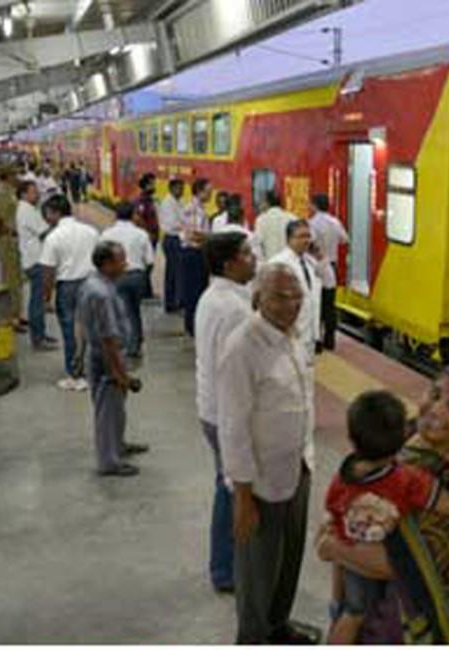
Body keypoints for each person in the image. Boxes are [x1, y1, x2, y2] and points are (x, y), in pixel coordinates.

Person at [316, 365, 449, 643]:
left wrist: (335, 548)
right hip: (372, 598)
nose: (436, 410)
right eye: (434, 395)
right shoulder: (403, 435)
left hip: (409, 613)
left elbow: (406, 564)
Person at [218, 263, 317, 644]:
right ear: (259, 298)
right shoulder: (243, 346)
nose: (290, 304)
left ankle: (279, 626)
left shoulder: (294, 337)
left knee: (288, 559)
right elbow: (233, 427)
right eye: (280, 296)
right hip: (260, 481)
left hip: (298, 467)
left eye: (296, 297)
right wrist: (243, 497)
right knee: (258, 570)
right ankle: (254, 637)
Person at [194, 231, 257, 592]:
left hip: (213, 408)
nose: (254, 259)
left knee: (226, 485)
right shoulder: (232, 309)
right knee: (233, 488)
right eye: (247, 254)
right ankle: (226, 570)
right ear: (229, 263)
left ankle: (225, 566)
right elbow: (237, 371)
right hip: (225, 413)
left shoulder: (217, 296)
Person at [77, 241, 149, 477]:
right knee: (107, 410)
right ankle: (109, 461)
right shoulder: (101, 294)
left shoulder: (95, 283)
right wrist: (120, 373)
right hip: (106, 359)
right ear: (107, 264)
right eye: (121, 260)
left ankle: (118, 445)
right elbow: (108, 338)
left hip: (103, 355)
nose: (126, 264)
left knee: (116, 408)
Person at [40, 194, 99, 391]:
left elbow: (48, 271)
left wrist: (46, 297)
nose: (46, 217)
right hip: (91, 283)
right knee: (91, 329)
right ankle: (95, 371)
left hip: (68, 287)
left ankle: (75, 376)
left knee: (70, 332)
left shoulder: (53, 237)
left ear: (55, 213)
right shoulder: (90, 231)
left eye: (47, 213)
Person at [101, 202, 154, 359]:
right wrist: (144, 276)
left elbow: (100, 258)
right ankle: (135, 343)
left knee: (118, 312)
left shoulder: (107, 234)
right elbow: (150, 261)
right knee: (134, 311)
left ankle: (124, 344)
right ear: (133, 215)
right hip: (137, 276)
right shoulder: (141, 234)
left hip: (115, 276)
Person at [269, 219, 322, 360]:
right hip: (288, 336)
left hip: (309, 335)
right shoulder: (279, 263)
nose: (306, 241)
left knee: (306, 377)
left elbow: (325, 285)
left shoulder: (309, 262)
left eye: (308, 236)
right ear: (289, 239)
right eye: (301, 236)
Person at [16, 180, 58, 350]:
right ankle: (38, 339)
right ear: (24, 194)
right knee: (37, 302)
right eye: (33, 192)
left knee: (37, 300)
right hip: (35, 261)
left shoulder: (27, 209)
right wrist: (56, 223)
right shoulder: (26, 210)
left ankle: (40, 334)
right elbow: (44, 232)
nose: (37, 194)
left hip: (33, 259)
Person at [0, 165, 26, 331]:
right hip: (6, 239)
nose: (18, 177)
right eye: (15, 174)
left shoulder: (7, 191)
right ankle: (10, 318)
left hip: (11, 239)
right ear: (7, 176)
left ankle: (16, 314)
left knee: (15, 278)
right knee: (10, 279)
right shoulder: (2, 193)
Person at [309, 194, 348, 351]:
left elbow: (310, 244)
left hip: (316, 266)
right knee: (330, 306)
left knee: (316, 305)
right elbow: (345, 239)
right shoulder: (335, 222)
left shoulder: (312, 223)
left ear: (315, 205)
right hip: (331, 265)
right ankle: (330, 340)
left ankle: (317, 341)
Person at [180, 178, 213, 336]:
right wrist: (212, 238)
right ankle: (193, 326)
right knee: (195, 291)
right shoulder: (194, 209)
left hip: (194, 253)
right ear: (199, 191)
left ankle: (192, 324)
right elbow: (194, 234)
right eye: (208, 191)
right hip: (193, 253)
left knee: (196, 289)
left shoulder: (198, 208)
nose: (211, 195)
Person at [159, 178, 186, 313]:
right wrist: (185, 225)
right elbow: (172, 224)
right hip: (172, 239)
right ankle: (171, 303)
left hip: (178, 239)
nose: (182, 191)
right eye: (179, 188)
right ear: (172, 188)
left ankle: (177, 301)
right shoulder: (167, 203)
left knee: (177, 272)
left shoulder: (179, 202)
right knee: (173, 273)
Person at [253, 190, 297, 261]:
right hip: (290, 263)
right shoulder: (292, 218)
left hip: (270, 263)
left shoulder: (261, 220)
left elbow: (257, 244)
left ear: (266, 203)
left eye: (261, 202)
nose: (259, 205)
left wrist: (263, 262)